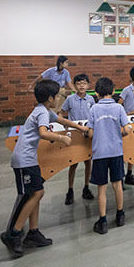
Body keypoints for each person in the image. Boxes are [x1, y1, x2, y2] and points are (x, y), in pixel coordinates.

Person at [1, 80, 87, 257]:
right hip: (24, 161)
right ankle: (14, 234)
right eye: (57, 96)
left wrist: (80, 127)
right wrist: (61, 138)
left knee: (36, 193)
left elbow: (61, 119)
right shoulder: (41, 112)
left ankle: (33, 232)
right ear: (50, 98)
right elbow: (43, 132)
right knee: (36, 194)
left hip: (29, 160)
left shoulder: (44, 110)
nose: (59, 99)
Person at [88, 77, 133, 234]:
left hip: (99, 153)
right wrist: (118, 133)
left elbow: (91, 132)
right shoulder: (119, 108)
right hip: (116, 152)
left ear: (96, 93)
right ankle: (120, 215)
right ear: (113, 91)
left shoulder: (94, 109)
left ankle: (103, 221)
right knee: (117, 184)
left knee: (102, 188)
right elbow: (127, 129)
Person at [60, 73, 95, 204]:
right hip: (74, 134)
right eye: (79, 83)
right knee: (73, 163)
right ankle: (70, 190)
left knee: (88, 162)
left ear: (88, 85)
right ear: (74, 85)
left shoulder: (91, 99)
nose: (81, 86)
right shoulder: (70, 99)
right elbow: (61, 113)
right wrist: (64, 125)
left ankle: (86, 188)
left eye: (84, 83)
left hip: (87, 133)